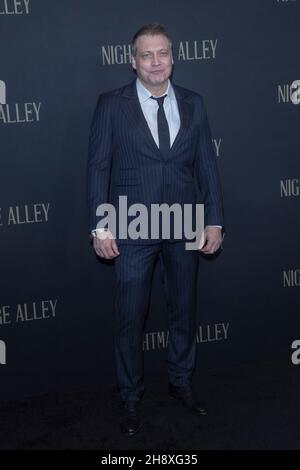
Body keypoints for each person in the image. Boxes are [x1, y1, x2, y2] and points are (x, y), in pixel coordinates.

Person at [87, 23, 224, 436]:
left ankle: (181, 381)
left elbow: (207, 167)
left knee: (184, 309)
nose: (155, 62)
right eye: (146, 55)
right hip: (132, 221)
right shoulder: (111, 105)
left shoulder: (195, 104)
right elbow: (98, 167)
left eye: (162, 53)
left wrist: (214, 219)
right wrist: (100, 226)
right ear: (133, 62)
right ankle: (130, 394)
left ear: (173, 58)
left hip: (183, 221)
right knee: (131, 315)